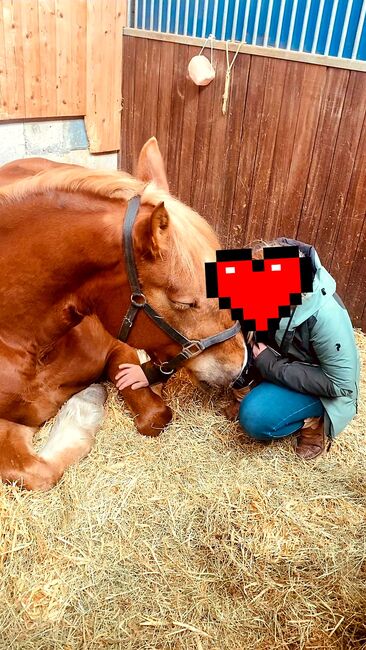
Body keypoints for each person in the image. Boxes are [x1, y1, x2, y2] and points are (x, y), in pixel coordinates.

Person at [115, 238, 360, 461]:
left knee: (255, 418)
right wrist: (152, 371)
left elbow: (341, 384)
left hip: (319, 384)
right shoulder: (251, 277)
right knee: (233, 348)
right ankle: (252, 389)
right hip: (273, 362)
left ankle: (313, 424)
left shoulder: (325, 315)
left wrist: (270, 365)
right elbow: (196, 330)